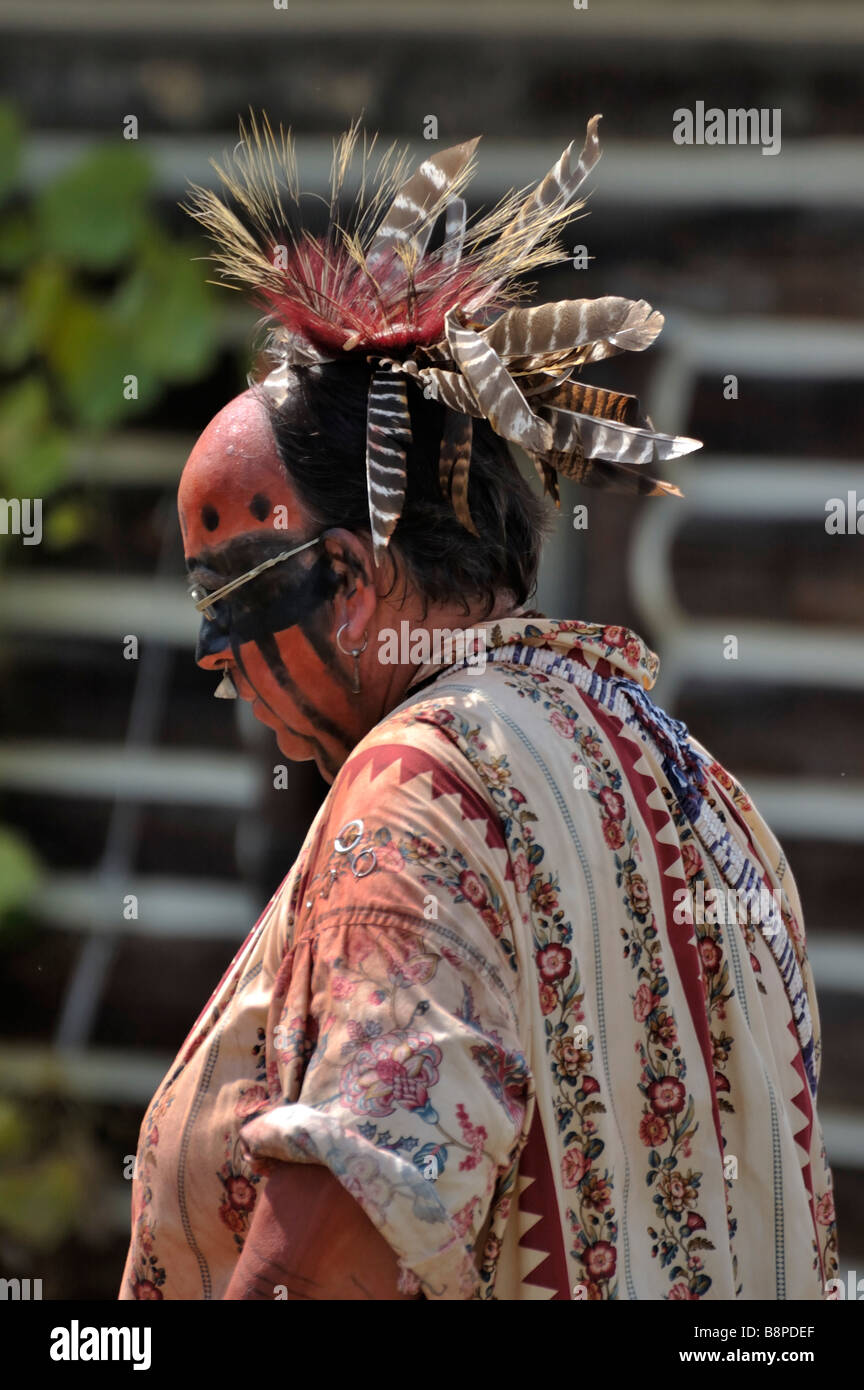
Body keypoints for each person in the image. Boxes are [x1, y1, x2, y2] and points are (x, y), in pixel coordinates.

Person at [119, 116, 838, 1301]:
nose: (217, 661)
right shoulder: (702, 787)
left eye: (225, 602)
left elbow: (325, 1264)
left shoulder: (420, 789)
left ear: (349, 583)